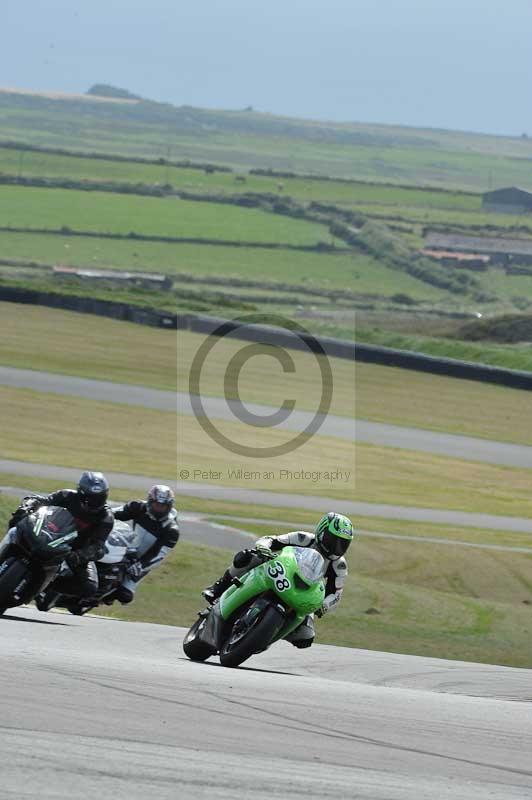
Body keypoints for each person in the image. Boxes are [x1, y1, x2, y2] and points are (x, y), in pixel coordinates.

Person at [202, 511, 354, 649]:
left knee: (305, 637)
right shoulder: (303, 538)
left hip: (304, 592)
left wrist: (324, 606)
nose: (337, 547)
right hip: (280, 569)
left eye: (343, 543)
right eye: (333, 540)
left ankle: (268, 632)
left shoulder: (339, 565)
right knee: (247, 557)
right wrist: (263, 547)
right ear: (322, 531)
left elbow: (336, 595)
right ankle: (218, 588)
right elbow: (271, 540)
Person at [9, 471, 113, 606]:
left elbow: (98, 545)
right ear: (81, 494)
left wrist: (79, 555)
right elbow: (43, 501)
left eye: (99, 498)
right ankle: (7, 551)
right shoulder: (66, 495)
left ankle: (47, 587)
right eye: (91, 499)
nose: (95, 503)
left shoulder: (106, 517)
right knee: (17, 521)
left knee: (89, 587)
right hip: (47, 533)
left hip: (73, 550)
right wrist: (27, 506)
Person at [110, 484, 179, 604]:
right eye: (156, 504)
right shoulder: (138, 507)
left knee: (125, 595)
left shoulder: (171, 529)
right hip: (125, 548)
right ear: (150, 502)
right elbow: (113, 513)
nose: (158, 508)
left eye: (162, 506)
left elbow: (159, 555)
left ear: (169, 506)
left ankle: (105, 597)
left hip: (142, 562)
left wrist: (141, 565)